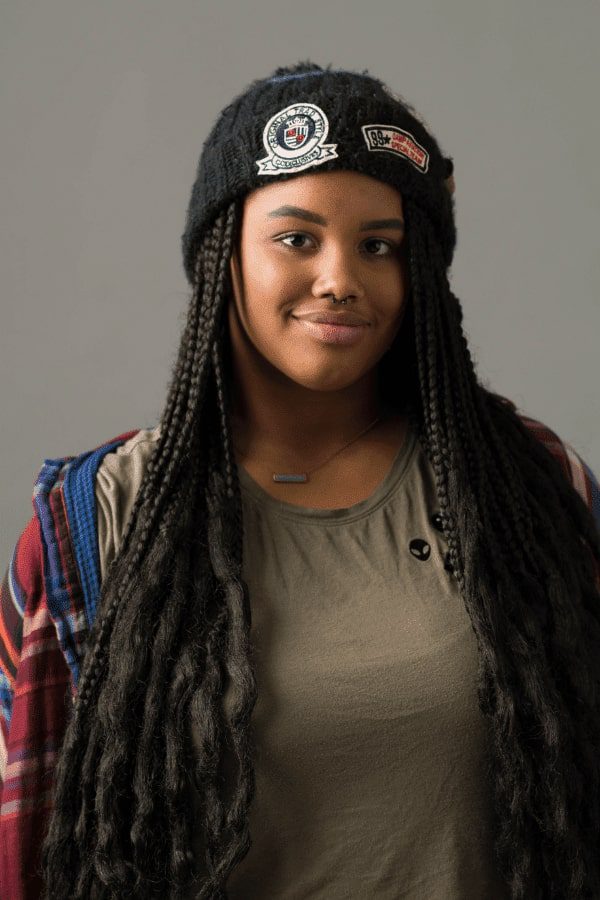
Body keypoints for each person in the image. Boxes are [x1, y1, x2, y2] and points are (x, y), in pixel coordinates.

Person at [0, 61, 599, 900]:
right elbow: (29, 856)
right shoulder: (95, 523)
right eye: (296, 238)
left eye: (379, 246)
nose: (340, 279)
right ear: (224, 253)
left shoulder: (530, 489)